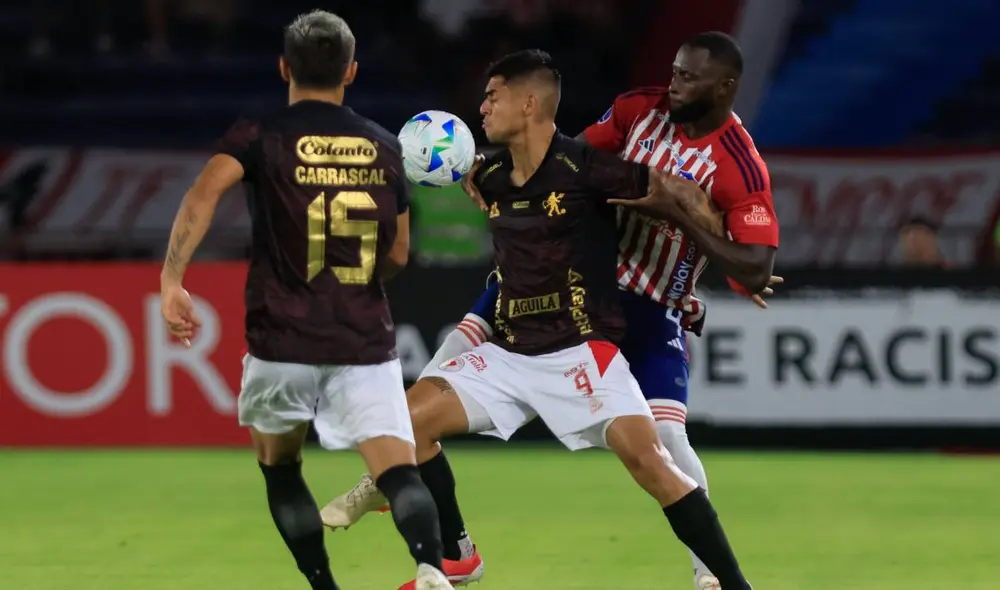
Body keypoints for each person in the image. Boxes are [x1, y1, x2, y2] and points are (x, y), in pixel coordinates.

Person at [325, 32, 779, 590]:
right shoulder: (641, 110)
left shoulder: (737, 162)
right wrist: (493, 169)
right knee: (438, 373)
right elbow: (561, 161)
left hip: (636, 308)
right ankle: (422, 506)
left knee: (664, 449)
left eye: (688, 77)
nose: (673, 84)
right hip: (558, 279)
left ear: (726, 87)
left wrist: (695, 228)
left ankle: (717, 579)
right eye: (675, 71)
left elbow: (753, 265)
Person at [157, 10, 452, 590]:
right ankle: (431, 568)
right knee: (397, 470)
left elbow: (202, 194)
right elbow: (397, 254)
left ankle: (323, 585)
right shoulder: (385, 145)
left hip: (279, 339)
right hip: (363, 339)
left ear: (284, 67)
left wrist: (172, 280)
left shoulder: (258, 135)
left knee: (281, 469)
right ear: (352, 71)